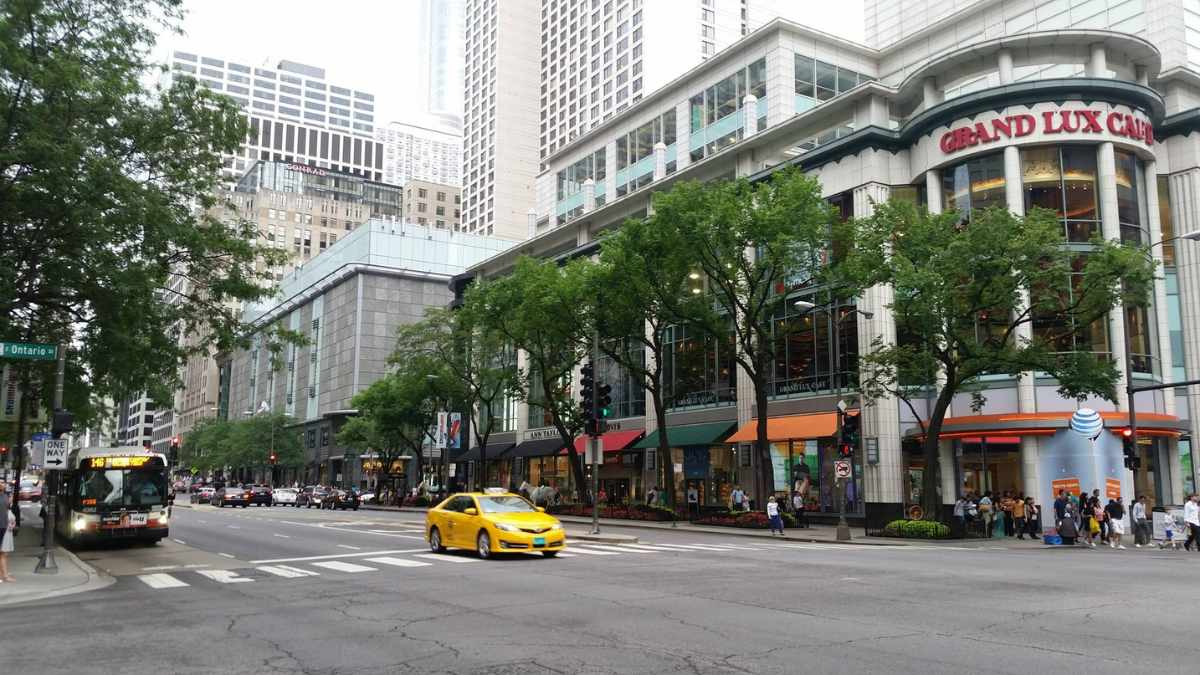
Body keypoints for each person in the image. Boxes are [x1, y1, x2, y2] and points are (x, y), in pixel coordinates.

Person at [0, 481, 15, 583]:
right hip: (2, 528)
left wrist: (12, 522)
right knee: (3, 553)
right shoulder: (3, 497)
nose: (3, 484)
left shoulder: (4, 496)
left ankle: (3, 574)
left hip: (5, 528)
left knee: (3, 553)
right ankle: (4, 576)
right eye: (1, 482)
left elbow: (6, 510)